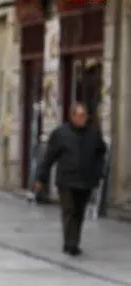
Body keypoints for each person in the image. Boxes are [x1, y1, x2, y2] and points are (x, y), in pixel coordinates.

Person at [35, 102, 108, 256]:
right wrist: (40, 178)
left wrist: (98, 172)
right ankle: (70, 243)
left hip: (86, 180)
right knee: (69, 210)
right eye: (80, 116)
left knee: (79, 212)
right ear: (73, 116)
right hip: (67, 180)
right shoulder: (60, 134)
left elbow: (101, 153)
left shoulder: (93, 134)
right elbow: (49, 158)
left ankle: (74, 241)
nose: (82, 119)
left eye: (85, 115)